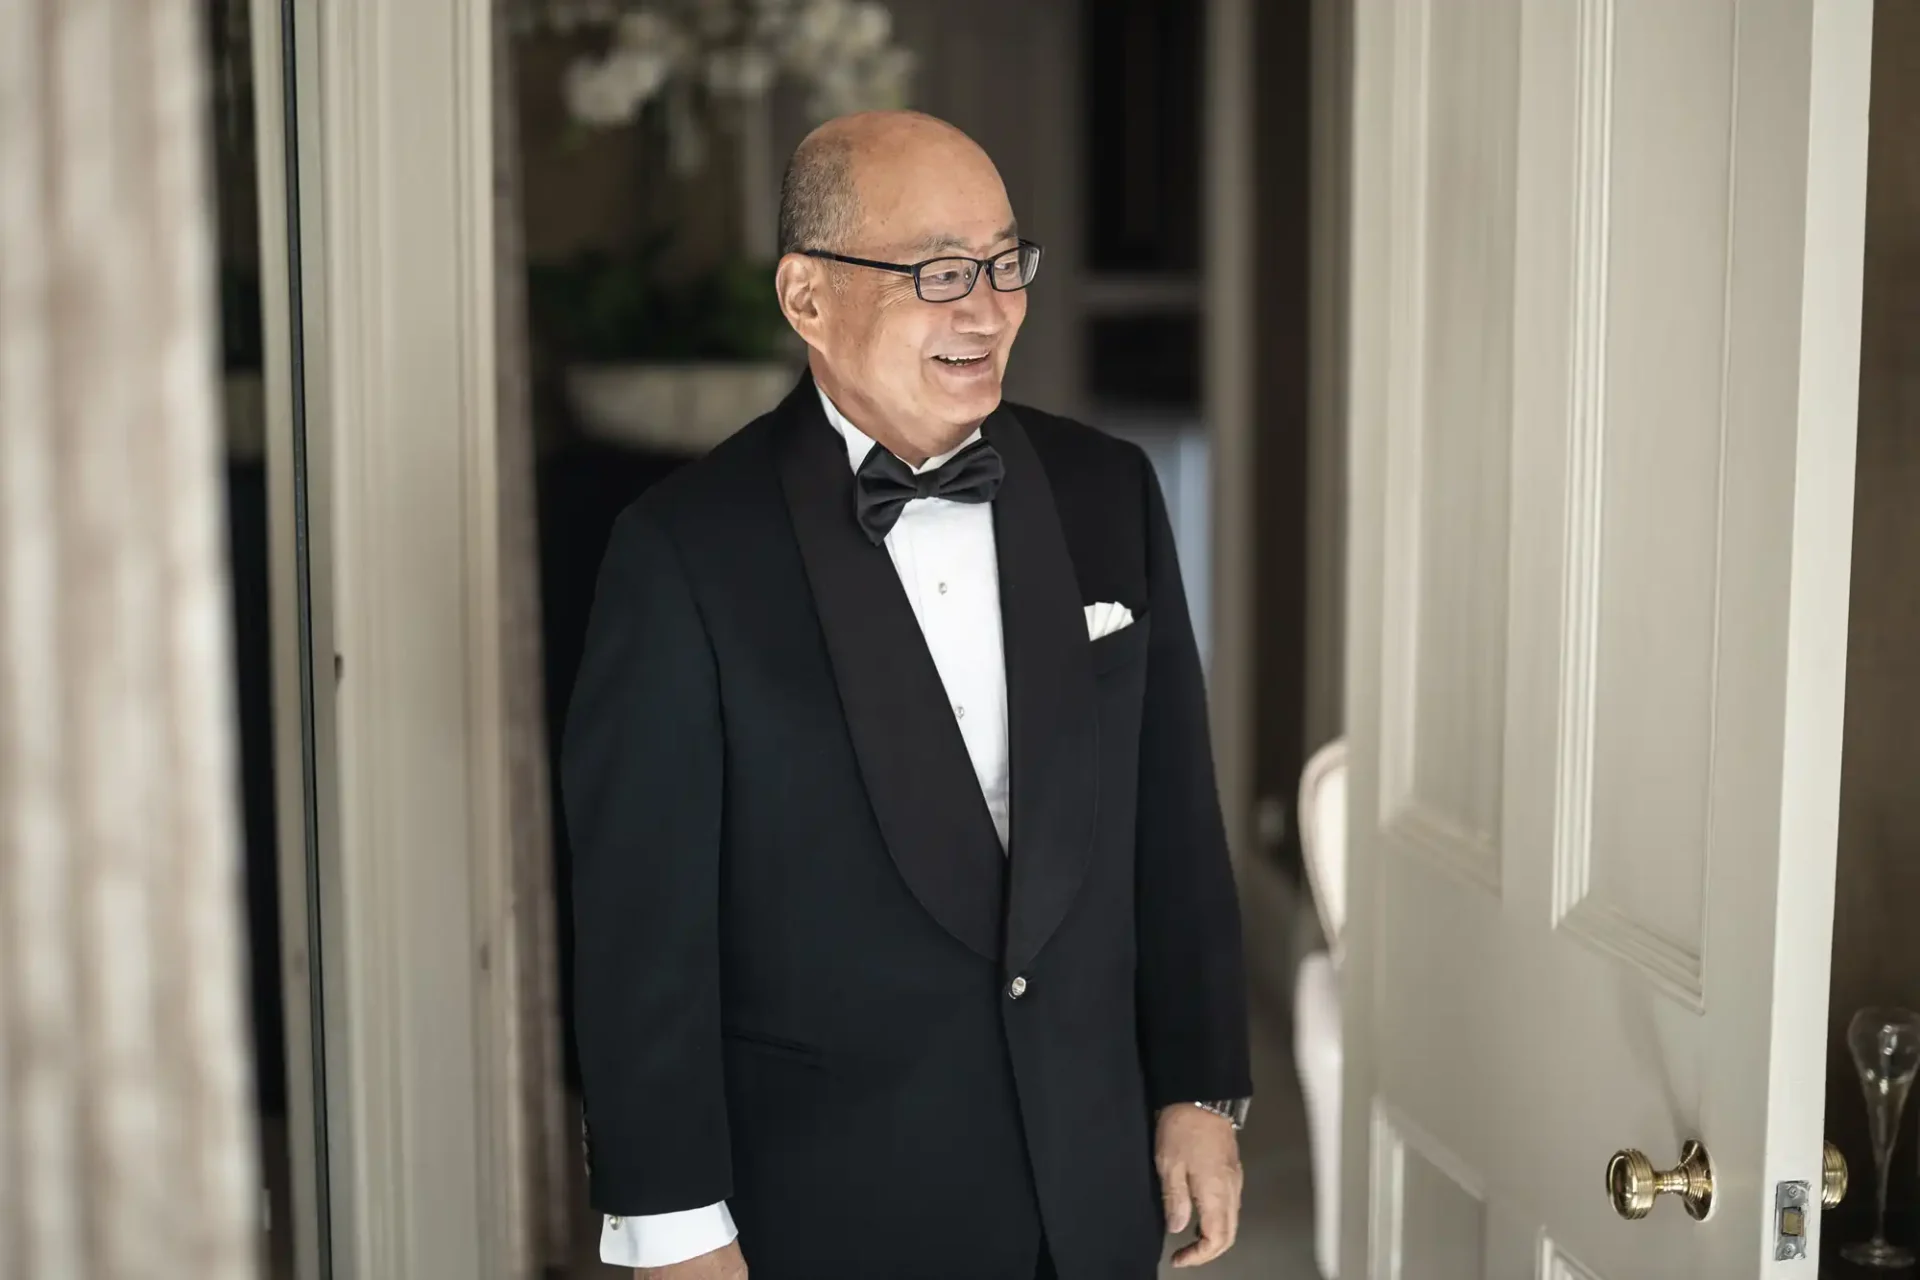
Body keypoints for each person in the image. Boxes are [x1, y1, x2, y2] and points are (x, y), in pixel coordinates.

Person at [564, 110, 1252, 1280]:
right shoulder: (680, 552)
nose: (988, 309)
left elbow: (1173, 816)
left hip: (1088, 1186)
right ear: (807, 298)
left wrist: (1199, 1084)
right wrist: (675, 1226)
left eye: (1004, 262)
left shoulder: (1108, 490)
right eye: (940, 272)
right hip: (831, 1206)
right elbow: (642, 930)